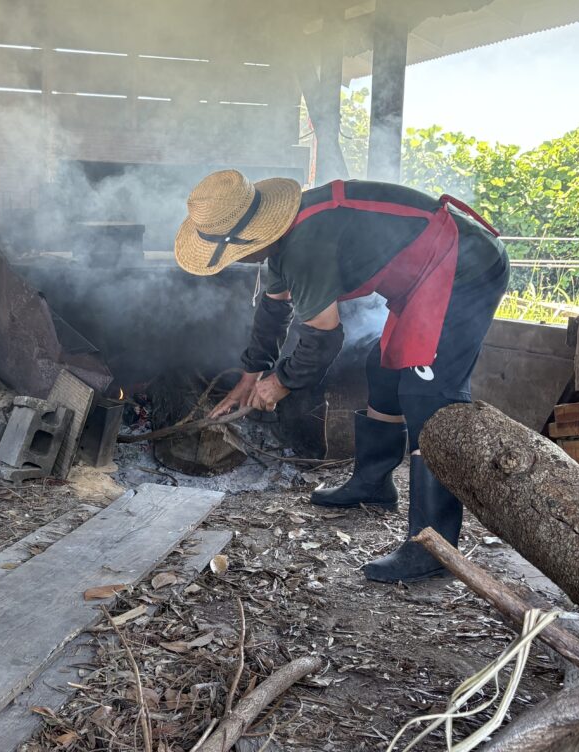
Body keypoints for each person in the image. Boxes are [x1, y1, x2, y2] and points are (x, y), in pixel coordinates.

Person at [174, 169, 509, 583]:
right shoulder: (283, 240)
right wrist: (251, 372)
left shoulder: (304, 248)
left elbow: (324, 338)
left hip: (465, 266)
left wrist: (280, 384)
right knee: (382, 369)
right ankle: (373, 483)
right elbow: (273, 310)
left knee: (429, 394)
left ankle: (433, 547)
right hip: (425, 278)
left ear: (247, 241)